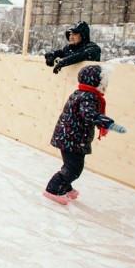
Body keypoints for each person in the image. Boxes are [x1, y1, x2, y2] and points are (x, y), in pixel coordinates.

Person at [44, 64, 126, 205]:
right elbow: (88, 114)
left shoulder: (80, 93)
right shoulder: (89, 96)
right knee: (74, 168)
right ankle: (53, 189)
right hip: (72, 138)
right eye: (104, 82)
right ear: (96, 82)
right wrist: (107, 123)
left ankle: (65, 187)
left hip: (69, 136)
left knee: (71, 165)